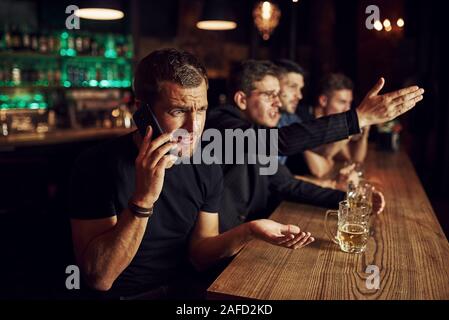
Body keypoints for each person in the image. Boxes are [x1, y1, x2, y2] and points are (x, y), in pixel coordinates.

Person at [69, 49, 314, 300]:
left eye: (201, 110)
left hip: (185, 293)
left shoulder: (206, 164)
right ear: (142, 111)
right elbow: (100, 277)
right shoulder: (96, 164)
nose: (194, 127)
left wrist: (250, 230)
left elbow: (199, 254)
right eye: (178, 111)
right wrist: (143, 200)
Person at [206, 60, 395, 231]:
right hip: (216, 252)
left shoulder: (254, 133)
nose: (278, 103)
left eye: (278, 95)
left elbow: (288, 185)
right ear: (242, 100)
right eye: (270, 95)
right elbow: (282, 141)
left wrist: (350, 200)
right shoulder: (222, 123)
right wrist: (357, 118)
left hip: (245, 239)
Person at [302, 73, 370, 180]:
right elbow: (319, 170)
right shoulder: (304, 120)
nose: (347, 109)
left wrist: (365, 134)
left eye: (349, 103)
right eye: (342, 102)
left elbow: (352, 159)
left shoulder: (330, 124)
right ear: (323, 100)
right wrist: (328, 159)